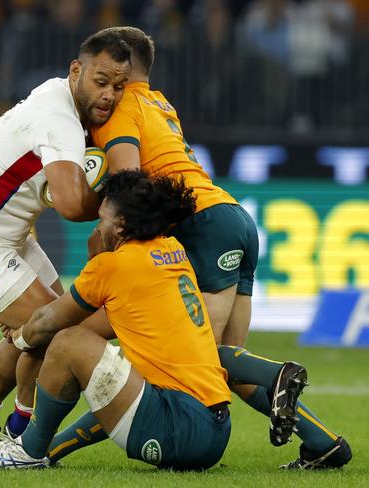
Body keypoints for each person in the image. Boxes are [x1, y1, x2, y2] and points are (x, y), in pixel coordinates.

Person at [77, 26, 350, 469]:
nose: (104, 88)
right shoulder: (161, 104)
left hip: (202, 224)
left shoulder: (119, 107)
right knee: (217, 366)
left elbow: (133, 188)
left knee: (192, 355)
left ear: (124, 72)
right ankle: (324, 441)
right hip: (232, 217)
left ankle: (276, 374)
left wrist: (107, 240)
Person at [0, 29, 131, 443]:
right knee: (58, 332)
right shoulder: (59, 119)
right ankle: (21, 436)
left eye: (119, 86)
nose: (110, 94)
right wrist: (121, 201)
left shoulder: (60, 98)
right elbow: (73, 205)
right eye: (101, 81)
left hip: (8, 237)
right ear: (77, 70)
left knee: (53, 324)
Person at [0, 170, 232, 471]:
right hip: (214, 433)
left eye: (102, 218)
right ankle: (39, 448)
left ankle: (26, 452)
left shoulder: (114, 265)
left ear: (120, 225)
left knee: (68, 344)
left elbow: (52, 323)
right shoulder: (171, 249)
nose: (98, 226)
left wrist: (19, 336)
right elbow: (96, 327)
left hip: (175, 427)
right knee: (113, 365)